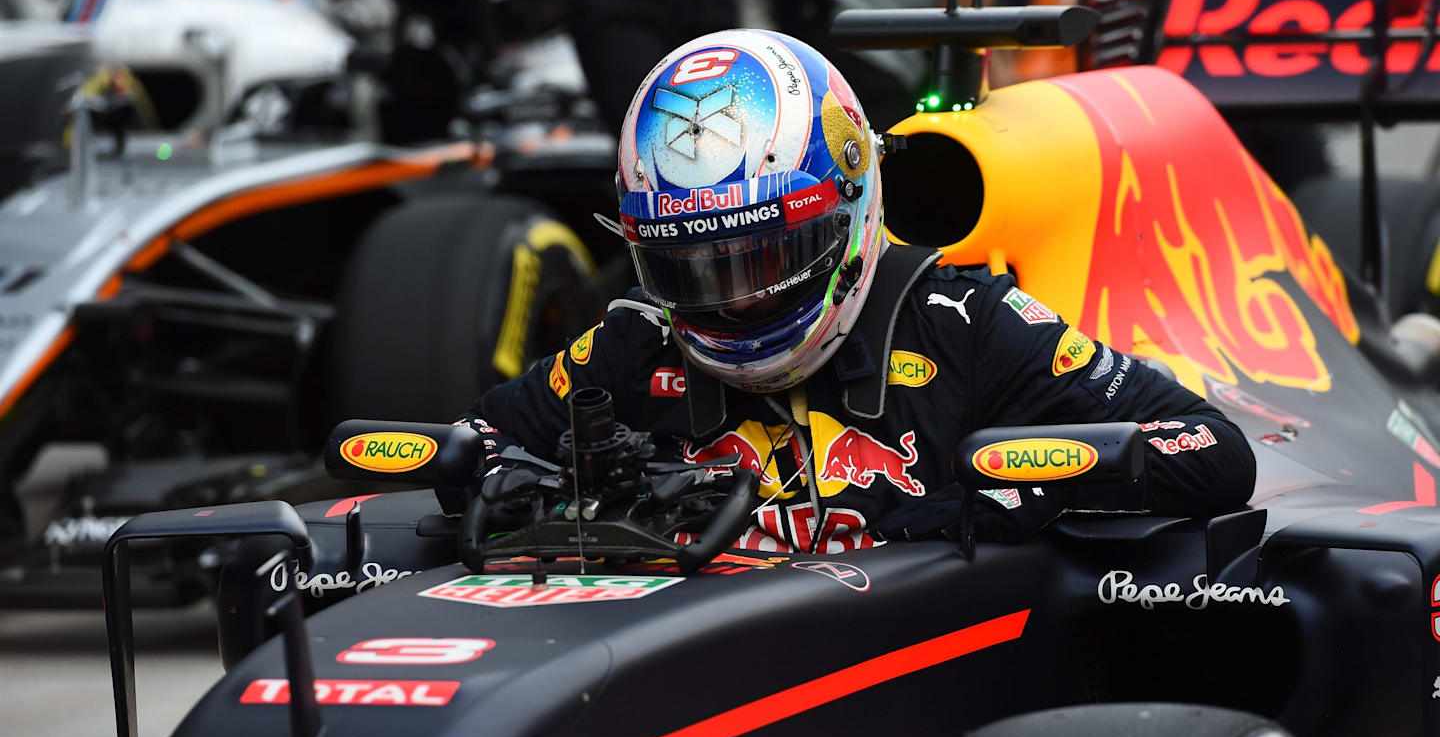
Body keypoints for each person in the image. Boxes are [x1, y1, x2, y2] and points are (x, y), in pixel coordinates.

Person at [454, 29, 1255, 554]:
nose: (735, 303)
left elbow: (1215, 448)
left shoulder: (966, 324)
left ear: (848, 202)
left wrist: (1014, 490)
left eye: (766, 258)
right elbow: (472, 440)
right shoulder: (635, 344)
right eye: (696, 268)